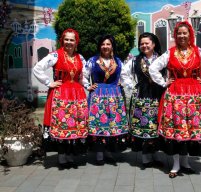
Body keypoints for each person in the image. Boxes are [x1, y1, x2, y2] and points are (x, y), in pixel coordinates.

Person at [149, 21, 201, 178]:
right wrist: (163, 82)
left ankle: (185, 162)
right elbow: (153, 68)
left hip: (194, 95)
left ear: (190, 34)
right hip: (175, 95)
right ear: (175, 35)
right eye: (179, 33)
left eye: (184, 33)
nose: (181, 36)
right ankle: (175, 164)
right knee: (176, 129)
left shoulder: (198, 51)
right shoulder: (170, 52)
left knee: (189, 129)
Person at [33, 28, 89, 169]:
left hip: (76, 95)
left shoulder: (80, 57)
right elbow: (37, 68)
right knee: (62, 124)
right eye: (66, 39)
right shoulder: (55, 56)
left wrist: (87, 86)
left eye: (72, 40)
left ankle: (70, 156)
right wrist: (48, 83)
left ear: (76, 42)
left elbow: (83, 76)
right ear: (62, 41)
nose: (69, 42)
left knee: (73, 125)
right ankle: (62, 157)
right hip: (61, 94)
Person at [121, 32, 166, 167]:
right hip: (142, 96)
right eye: (142, 44)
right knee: (144, 125)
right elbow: (124, 74)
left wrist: (167, 82)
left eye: (147, 43)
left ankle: (155, 155)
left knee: (156, 125)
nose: (144, 46)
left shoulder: (162, 59)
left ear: (154, 44)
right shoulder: (135, 60)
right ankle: (146, 158)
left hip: (158, 95)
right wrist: (132, 85)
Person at [84, 35, 129, 165]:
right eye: (103, 44)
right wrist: (88, 86)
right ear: (100, 46)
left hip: (114, 96)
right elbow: (84, 75)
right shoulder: (92, 61)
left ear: (112, 46)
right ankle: (99, 154)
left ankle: (108, 152)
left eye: (108, 44)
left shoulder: (118, 61)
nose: (105, 46)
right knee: (99, 123)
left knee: (111, 124)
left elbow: (125, 76)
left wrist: (123, 84)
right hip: (98, 95)